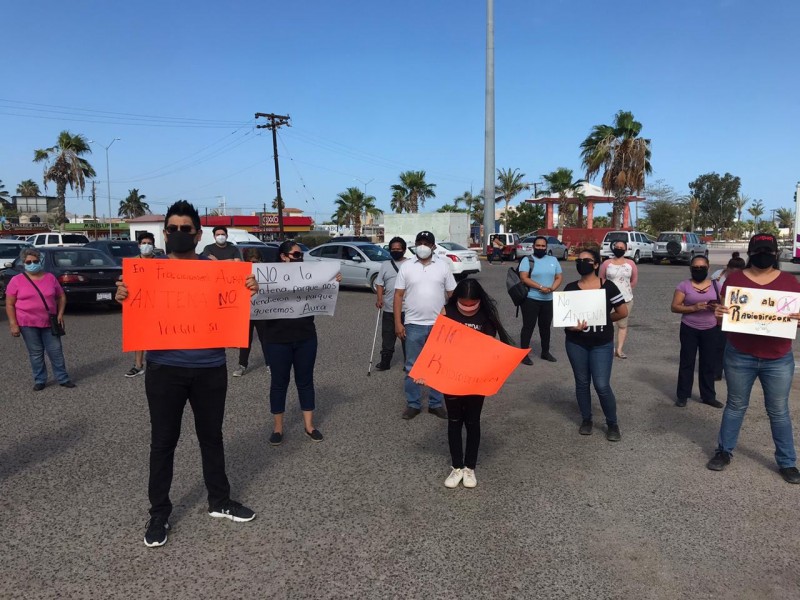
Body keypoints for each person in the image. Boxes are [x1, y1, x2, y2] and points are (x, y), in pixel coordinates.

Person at [115, 200, 259, 548]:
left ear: (198, 234)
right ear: (165, 233)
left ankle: (219, 501)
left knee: (212, 437)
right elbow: (135, 308)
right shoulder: (147, 271)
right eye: (173, 229)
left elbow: (233, 308)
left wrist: (249, 290)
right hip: (165, 370)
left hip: (210, 369)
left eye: (186, 229)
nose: (179, 234)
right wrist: (123, 295)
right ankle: (159, 512)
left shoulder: (217, 269)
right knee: (163, 442)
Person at [708, 233, 800, 485]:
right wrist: (718, 314)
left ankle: (787, 461)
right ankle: (724, 451)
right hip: (740, 354)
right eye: (759, 250)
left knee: (779, 411)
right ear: (750, 252)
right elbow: (723, 317)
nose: (764, 255)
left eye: (768, 251)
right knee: (736, 405)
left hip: (778, 357)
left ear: (776, 254)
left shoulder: (791, 283)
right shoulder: (734, 281)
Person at [259, 241, 341, 445]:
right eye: (296, 255)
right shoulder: (266, 277)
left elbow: (321, 293)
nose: (300, 258)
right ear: (283, 256)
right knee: (279, 383)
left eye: (301, 255)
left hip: (305, 337)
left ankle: (309, 426)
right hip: (277, 339)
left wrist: (332, 282)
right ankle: (278, 428)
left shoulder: (309, 275)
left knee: (305, 381)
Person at [440, 279, 513, 489]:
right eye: (464, 303)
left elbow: (490, 347)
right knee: (454, 421)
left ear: (479, 301)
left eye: (473, 304)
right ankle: (456, 467)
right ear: (457, 300)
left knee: (472, 422)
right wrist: (425, 371)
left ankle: (470, 467)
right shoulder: (447, 312)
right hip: (451, 377)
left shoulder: (486, 317)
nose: (468, 307)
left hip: (476, 378)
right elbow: (436, 344)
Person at [564, 248, 628, 441]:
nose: (582, 263)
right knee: (582, 383)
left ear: (596, 264)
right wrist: (572, 327)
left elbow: (622, 311)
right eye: (579, 260)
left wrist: (604, 319)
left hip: (601, 343)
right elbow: (564, 318)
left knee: (601, 384)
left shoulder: (608, 286)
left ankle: (612, 423)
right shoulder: (570, 288)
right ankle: (586, 419)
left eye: (587, 260)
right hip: (576, 343)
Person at [394, 230, 456, 420]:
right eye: (419, 242)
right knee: (412, 367)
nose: (423, 246)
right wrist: (398, 323)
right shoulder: (406, 267)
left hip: (439, 325)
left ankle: (436, 403)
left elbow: (452, 293)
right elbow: (398, 295)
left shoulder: (443, 266)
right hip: (413, 324)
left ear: (433, 246)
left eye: (426, 243)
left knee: (439, 365)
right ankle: (413, 403)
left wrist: (453, 317)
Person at [5, 247, 75, 391]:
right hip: (27, 323)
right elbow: (10, 304)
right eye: (28, 262)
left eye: (35, 261)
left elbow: (61, 296)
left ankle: (63, 378)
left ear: (40, 261)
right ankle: (40, 379)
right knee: (36, 353)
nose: (32, 264)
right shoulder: (16, 280)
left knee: (56, 351)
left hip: (49, 322)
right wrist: (13, 324)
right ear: (23, 263)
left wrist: (60, 314)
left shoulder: (50, 278)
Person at [670, 255, 723, 408]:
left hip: (711, 329)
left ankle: (708, 396)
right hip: (689, 328)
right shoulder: (684, 285)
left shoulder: (716, 285)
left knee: (708, 363)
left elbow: (725, 306)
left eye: (702, 267)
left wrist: (717, 308)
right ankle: (682, 395)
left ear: (708, 268)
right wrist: (693, 308)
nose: (698, 270)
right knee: (687, 362)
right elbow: (674, 307)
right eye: (695, 268)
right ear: (690, 268)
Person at [518, 236, 562, 365]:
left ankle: (545, 352)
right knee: (528, 327)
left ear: (546, 247)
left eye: (543, 246)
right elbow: (524, 278)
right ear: (533, 246)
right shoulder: (527, 260)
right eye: (538, 245)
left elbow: (559, 277)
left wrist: (552, 288)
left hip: (548, 299)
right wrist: (541, 287)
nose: (540, 248)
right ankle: (523, 354)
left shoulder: (553, 260)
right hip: (531, 299)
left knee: (545, 327)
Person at [124, 232, 158, 378]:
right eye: (143, 243)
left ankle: (157, 362)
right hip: (138, 304)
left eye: (149, 243)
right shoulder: (132, 264)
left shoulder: (161, 262)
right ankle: (138, 365)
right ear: (139, 245)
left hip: (158, 303)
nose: (146, 246)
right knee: (139, 335)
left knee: (157, 333)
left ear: (154, 245)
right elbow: (126, 283)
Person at [232, 247, 270, 377]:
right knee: (245, 340)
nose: (254, 264)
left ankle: (269, 363)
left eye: (256, 261)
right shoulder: (240, 271)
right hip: (246, 311)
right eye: (251, 261)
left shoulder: (266, 270)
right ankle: (242, 365)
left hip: (261, 310)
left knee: (265, 338)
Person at [710, 252, 746, 380]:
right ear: (728, 269)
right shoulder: (717, 276)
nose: (734, 276)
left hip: (738, 315)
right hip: (721, 315)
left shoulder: (744, 279)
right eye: (732, 272)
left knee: (736, 346)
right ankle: (716, 371)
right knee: (719, 345)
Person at [598, 240, 637, 358]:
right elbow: (601, 279)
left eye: (622, 247)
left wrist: (625, 290)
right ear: (613, 248)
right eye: (617, 247)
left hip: (626, 299)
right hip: (609, 299)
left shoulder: (631, 264)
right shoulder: (606, 264)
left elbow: (634, 280)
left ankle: (619, 350)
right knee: (609, 324)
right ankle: (610, 349)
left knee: (623, 325)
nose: (619, 248)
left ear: (625, 249)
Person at [374, 237, 408, 371]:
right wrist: (379, 298)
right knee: (387, 336)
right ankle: (385, 361)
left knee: (407, 337)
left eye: (398, 249)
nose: (395, 251)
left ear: (404, 250)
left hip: (407, 308)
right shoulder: (385, 265)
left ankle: (409, 363)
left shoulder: (410, 264)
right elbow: (379, 283)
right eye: (393, 249)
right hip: (388, 307)